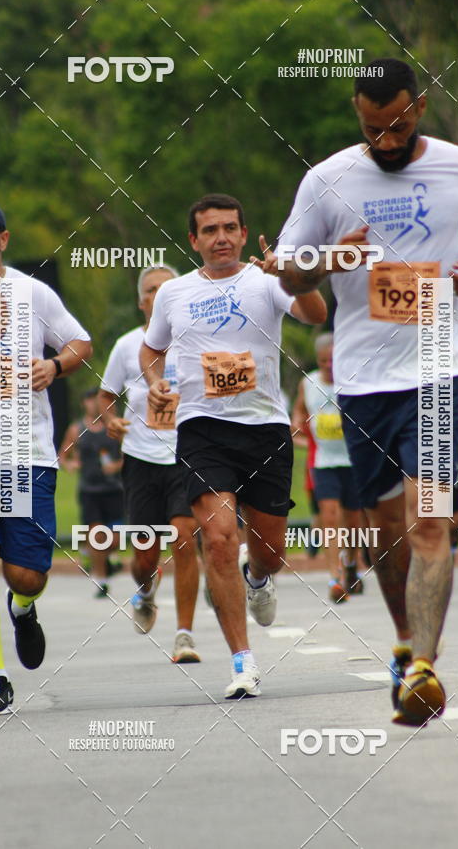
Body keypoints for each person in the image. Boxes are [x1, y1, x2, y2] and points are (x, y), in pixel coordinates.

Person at [273, 58, 458, 725]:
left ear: (421, 108)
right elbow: (291, 277)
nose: (386, 140)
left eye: (398, 126)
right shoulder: (327, 181)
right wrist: (329, 259)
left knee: (429, 517)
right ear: (359, 113)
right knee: (386, 534)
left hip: (441, 358)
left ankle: (425, 670)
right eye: (373, 128)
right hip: (361, 376)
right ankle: (406, 645)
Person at [140, 194, 326, 698]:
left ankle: (259, 579)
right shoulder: (173, 293)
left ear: (244, 234)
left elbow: (315, 312)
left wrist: (292, 275)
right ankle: (242, 661)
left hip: (265, 428)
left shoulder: (268, 281)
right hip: (202, 431)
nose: (220, 237)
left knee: (268, 552)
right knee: (219, 537)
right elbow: (151, 348)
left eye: (229, 228)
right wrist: (156, 381)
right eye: (209, 230)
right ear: (193, 240)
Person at [0, 198, 92, 715]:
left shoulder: (30, 292)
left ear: (3, 239)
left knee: (26, 574)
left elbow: (80, 341)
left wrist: (55, 367)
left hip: (23, 452)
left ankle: (24, 609)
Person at [99, 265, 202, 664]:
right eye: (150, 290)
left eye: (165, 288)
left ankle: (184, 635)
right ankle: (144, 589)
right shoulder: (127, 345)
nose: (158, 295)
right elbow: (106, 394)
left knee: (183, 537)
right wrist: (112, 421)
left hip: (186, 453)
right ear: (142, 302)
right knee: (145, 556)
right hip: (141, 458)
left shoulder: (195, 341)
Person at [291, 332, 365, 600]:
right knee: (329, 517)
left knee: (354, 523)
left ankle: (351, 565)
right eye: (323, 361)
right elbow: (299, 409)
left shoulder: (354, 381)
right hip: (324, 462)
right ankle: (335, 577)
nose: (329, 366)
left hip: (352, 461)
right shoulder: (307, 383)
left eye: (333, 360)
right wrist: (298, 423)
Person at [59, 388, 124, 598]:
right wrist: (70, 464)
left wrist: (117, 466)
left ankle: (103, 557)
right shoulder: (76, 429)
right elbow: (63, 456)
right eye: (89, 400)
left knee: (113, 539)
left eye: (96, 400)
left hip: (114, 490)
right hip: (89, 490)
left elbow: (130, 454)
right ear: (83, 404)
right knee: (97, 535)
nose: (93, 404)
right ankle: (102, 581)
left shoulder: (114, 426)